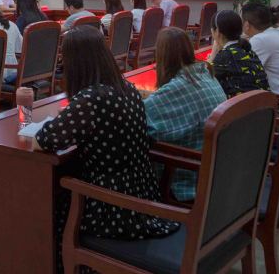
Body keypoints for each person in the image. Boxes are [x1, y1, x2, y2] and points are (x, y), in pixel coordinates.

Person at [34, 27, 179, 272]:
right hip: (142, 192)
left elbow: (44, 140)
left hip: (110, 206)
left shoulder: (90, 99)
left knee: (55, 209)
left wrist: (63, 117)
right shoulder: (127, 88)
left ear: (75, 63)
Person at [145, 27, 227, 201]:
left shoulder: (176, 89)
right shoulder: (206, 74)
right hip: (214, 174)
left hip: (184, 184)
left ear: (162, 57)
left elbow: (139, 120)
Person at [208, 10, 269, 96]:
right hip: (265, 102)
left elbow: (204, 81)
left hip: (243, 104)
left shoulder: (225, 56)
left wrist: (213, 54)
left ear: (217, 31)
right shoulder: (248, 50)